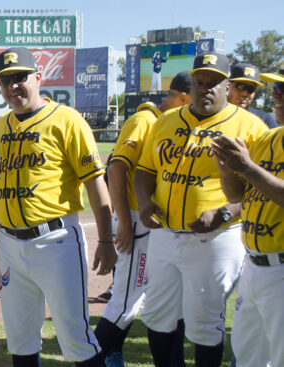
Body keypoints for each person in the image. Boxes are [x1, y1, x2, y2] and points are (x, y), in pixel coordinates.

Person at [134, 52, 268, 367]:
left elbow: (260, 189)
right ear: (191, 85)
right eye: (199, 82)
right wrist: (144, 201)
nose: (205, 88)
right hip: (165, 234)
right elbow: (145, 170)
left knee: (204, 321)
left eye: (214, 82)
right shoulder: (167, 120)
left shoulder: (250, 126)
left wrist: (225, 212)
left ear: (227, 87)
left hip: (217, 238)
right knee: (156, 314)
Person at [0, 46, 116, 366]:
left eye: (20, 77)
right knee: (19, 339)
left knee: (76, 338)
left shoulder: (66, 120)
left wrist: (106, 239)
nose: (13, 85)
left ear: (38, 78)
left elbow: (95, 181)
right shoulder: (2, 125)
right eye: (5, 80)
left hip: (55, 241)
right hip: (9, 243)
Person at [94, 71, 193, 367]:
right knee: (126, 302)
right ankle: (93, 358)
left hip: (148, 223)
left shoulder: (166, 124)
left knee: (145, 300)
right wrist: (124, 222)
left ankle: (111, 356)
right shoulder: (145, 120)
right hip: (134, 221)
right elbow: (115, 169)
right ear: (185, 97)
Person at [213, 67, 284, 367]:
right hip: (254, 265)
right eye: (276, 89)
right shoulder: (269, 138)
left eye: (282, 90)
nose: (275, 95)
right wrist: (228, 170)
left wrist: (248, 168)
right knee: (246, 357)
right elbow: (237, 196)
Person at [228, 62, 278, 128]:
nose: (245, 93)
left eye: (250, 89)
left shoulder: (265, 120)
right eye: (240, 86)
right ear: (227, 86)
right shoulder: (212, 114)